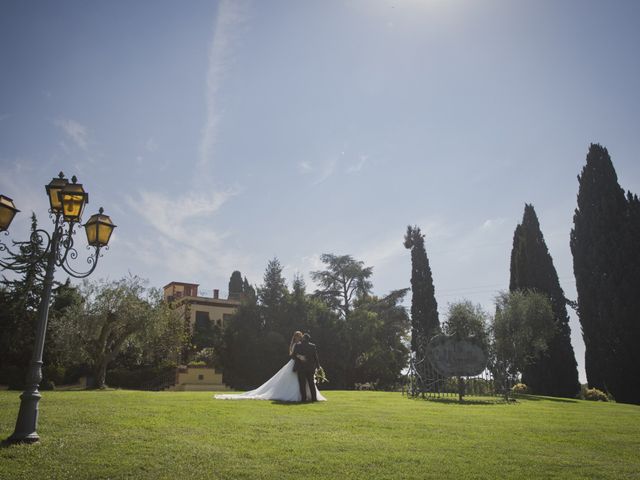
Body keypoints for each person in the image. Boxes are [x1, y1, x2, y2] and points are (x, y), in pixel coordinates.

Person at [214, 331, 326, 402]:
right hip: (303, 366)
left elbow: (300, 356)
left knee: (304, 383)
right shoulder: (304, 345)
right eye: (297, 336)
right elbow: (308, 357)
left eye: (300, 336)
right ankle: (309, 398)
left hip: (300, 366)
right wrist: (316, 365)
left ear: (302, 337)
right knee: (307, 383)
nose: (299, 338)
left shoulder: (300, 345)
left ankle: (304, 398)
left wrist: (301, 358)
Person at [292, 333, 320, 402]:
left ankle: (303, 399)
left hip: (301, 367)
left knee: (302, 384)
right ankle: (314, 398)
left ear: (303, 338)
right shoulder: (313, 346)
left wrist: (299, 357)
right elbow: (316, 358)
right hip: (310, 368)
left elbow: (293, 356)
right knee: (311, 383)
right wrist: (318, 366)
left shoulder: (298, 346)